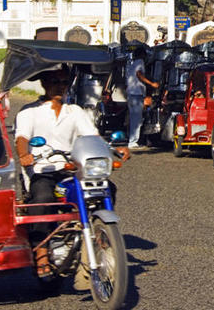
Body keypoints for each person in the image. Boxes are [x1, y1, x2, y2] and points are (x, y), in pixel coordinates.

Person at [15, 67, 130, 277]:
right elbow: (22, 137)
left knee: (106, 187)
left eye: (63, 82)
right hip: (43, 169)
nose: (59, 86)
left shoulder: (75, 111)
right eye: (54, 81)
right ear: (43, 84)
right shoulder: (28, 111)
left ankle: (100, 233)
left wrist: (113, 149)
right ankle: (41, 253)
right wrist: (24, 154)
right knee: (43, 198)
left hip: (71, 167)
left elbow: (92, 137)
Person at [125, 47, 159, 148]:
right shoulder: (140, 62)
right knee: (137, 119)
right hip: (136, 94)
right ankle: (133, 141)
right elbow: (139, 74)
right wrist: (151, 84)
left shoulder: (132, 64)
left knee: (134, 118)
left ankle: (134, 140)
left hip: (131, 93)